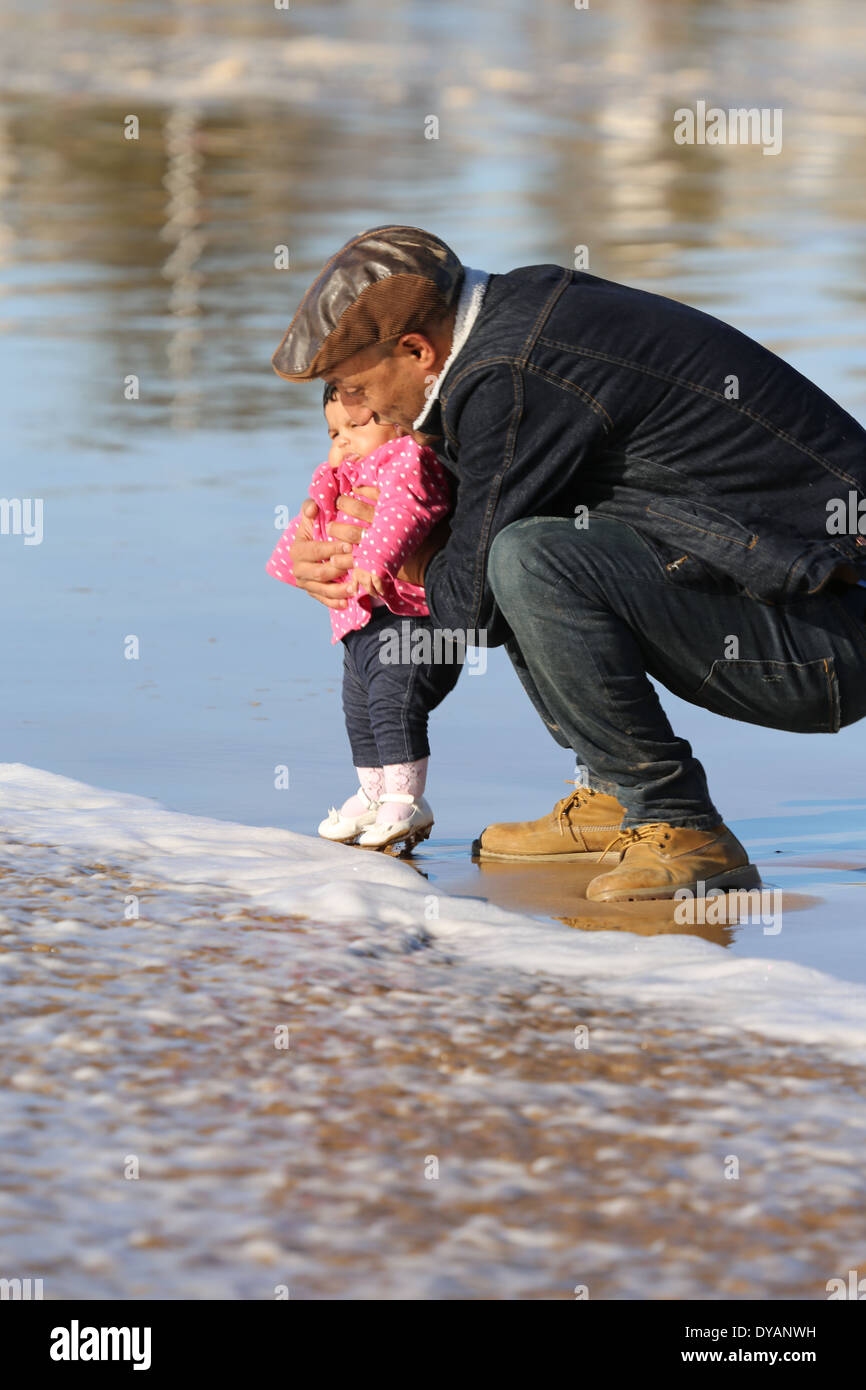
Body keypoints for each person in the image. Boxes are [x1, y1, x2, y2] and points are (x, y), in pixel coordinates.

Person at [269, 225, 866, 901]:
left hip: (827, 639)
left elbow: (474, 608)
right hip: (801, 601)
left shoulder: (509, 376)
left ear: (416, 349)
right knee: (522, 537)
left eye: (356, 386)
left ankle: (679, 821)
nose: (359, 409)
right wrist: (351, 540)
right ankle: (611, 795)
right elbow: (473, 530)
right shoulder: (512, 321)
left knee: (526, 556)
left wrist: (392, 562)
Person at [267, 382, 459, 852]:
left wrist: (377, 560)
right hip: (364, 622)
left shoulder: (406, 460)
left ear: (405, 419)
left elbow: (406, 511)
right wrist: (293, 559)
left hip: (416, 616)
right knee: (359, 709)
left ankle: (406, 800)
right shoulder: (339, 477)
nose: (343, 440)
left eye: (355, 426)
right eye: (334, 432)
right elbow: (310, 526)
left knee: (395, 703)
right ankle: (374, 796)